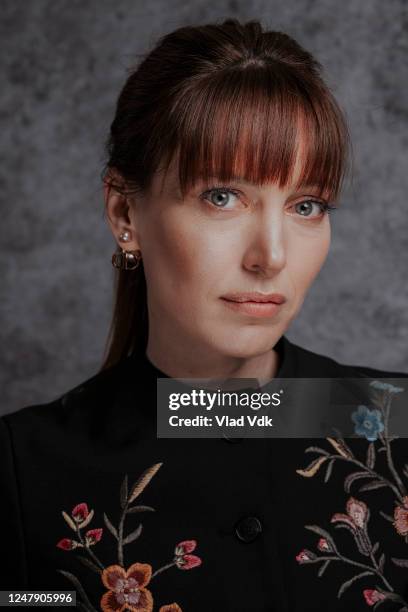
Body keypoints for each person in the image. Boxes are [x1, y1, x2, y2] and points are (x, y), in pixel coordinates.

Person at [1, 18, 407, 612]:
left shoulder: (397, 425)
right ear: (124, 213)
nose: (270, 256)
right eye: (222, 197)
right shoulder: (23, 471)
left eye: (307, 205)